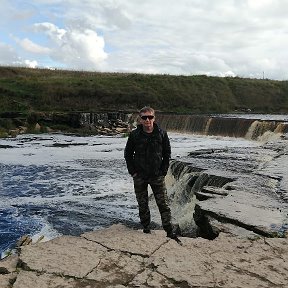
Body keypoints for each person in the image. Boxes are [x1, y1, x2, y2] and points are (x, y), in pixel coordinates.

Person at [124, 106, 176, 238]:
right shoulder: (134, 135)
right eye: (144, 117)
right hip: (139, 176)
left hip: (156, 175)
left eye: (150, 117)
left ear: (154, 118)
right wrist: (133, 172)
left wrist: (163, 171)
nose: (147, 120)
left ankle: (169, 231)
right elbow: (128, 154)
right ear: (140, 119)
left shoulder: (162, 133)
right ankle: (146, 228)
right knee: (142, 204)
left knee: (163, 204)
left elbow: (167, 153)